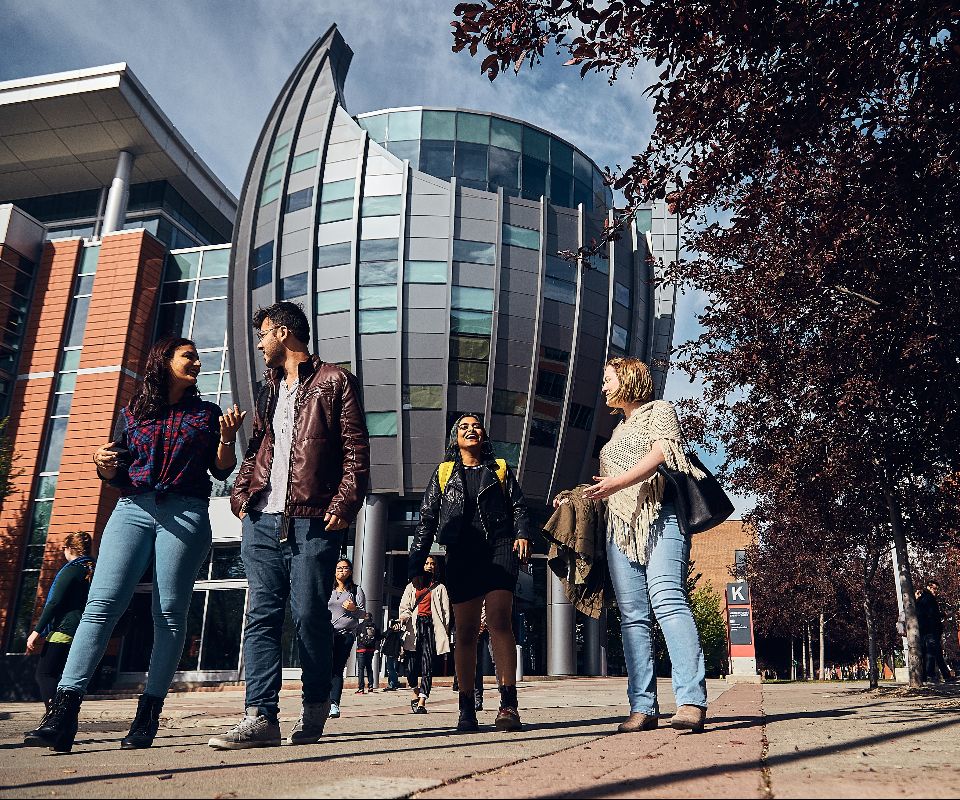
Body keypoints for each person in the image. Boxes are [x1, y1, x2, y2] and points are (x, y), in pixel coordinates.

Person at [24, 337, 243, 753]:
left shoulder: (207, 413)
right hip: (131, 509)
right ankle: (62, 716)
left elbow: (220, 470)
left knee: (168, 613)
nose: (197, 362)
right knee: (101, 606)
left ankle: (146, 718)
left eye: (197, 357)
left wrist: (227, 438)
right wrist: (100, 465)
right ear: (164, 361)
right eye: (188, 356)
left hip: (185, 511)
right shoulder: (133, 412)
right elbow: (117, 466)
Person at [209, 302, 369, 750]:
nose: (259, 343)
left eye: (263, 334)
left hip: (312, 518)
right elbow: (259, 445)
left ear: (283, 333)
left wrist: (345, 501)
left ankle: (315, 706)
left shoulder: (335, 381)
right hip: (261, 517)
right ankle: (260, 716)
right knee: (260, 615)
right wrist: (241, 493)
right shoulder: (268, 389)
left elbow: (356, 449)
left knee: (308, 615)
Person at [557, 358, 708, 733]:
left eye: (607, 380)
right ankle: (643, 708)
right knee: (632, 618)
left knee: (669, 600)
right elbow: (607, 487)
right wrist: (576, 498)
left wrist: (618, 483)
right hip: (619, 528)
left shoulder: (660, 411)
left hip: (660, 515)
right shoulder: (615, 432)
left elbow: (663, 454)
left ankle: (690, 701)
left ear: (628, 379)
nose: (604, 388)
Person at [409, 413, 531, 732]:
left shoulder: (500, 468)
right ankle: (466, 710)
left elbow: (518, 506)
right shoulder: (445, 472)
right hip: (462, 551)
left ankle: (508, 706)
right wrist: (416, 560)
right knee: (464, 632)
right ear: (455, 438)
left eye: (476, 426)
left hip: (499, 545)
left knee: (499, 621)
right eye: (464, 427)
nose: (471, 430)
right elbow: (427, 518)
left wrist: (522, 534)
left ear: (484, 435)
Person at [24, 533, 96, 710]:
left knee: (45, 674)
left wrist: (36, 632)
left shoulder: (72, 570)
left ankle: (55, 716)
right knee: (65, 678)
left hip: (64, 630)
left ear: (70, 548)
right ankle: (61, 719)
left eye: (64, 549)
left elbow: (54, 602)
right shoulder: (94, 570)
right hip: (84, 631)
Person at [399, 555, 451, 714]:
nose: (429, 566)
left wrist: (443, 633)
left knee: (427, 665)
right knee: (411, 666)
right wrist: (404, 616)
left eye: (432, 563)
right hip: (414, 627)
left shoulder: (440, 587)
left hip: (431, 627)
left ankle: (422, 700)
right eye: (426, 563)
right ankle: (415, 690)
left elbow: (446, 614)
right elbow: (404, 607)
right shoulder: (412, 586)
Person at [329, 559, 366, 716]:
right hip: (326, 634)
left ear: (350, 571)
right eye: (338, 568)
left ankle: (334, 704)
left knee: (337, 668)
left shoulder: (356, 590)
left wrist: (353, 609)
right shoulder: (327, 588)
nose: (341, 571)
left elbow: (363, 614)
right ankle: (320, 701)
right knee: (324, 668)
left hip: (345, 635)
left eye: (345, 568)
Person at [916, 581, 953, 683]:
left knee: (935, 653)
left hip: (925, 630)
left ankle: (945, 676)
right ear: (929, 587)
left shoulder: (921, 599)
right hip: (931, 630)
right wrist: (945, 614)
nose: (936, 591)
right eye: (934, 588)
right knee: (931, 653)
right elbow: (933, 614)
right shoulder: (929, 598)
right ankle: (930, 676)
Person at [355, 612, 380, 694]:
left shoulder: (360, 626)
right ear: (371, 618)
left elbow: (355, 634)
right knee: (369, 668)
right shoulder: (375, 626)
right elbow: (378, 638)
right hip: (370, 650)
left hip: (361, 649)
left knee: (361, 669)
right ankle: (370, 686)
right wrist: (376, 648)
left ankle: (361, 688)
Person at [379, 620, 405, 691]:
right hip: (394, 652)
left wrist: (390, 629)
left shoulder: (392, 632)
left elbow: (383, 635)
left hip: (392, 652)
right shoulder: (397, 633)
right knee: (391, 669)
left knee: (391, 669)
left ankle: (393, 683)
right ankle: (392, 683)